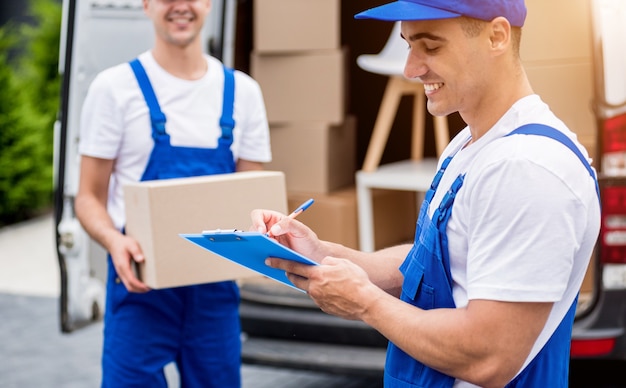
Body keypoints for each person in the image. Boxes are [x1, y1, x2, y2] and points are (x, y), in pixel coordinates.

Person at [251, 0, 600, 386]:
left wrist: (365, 303)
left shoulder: (528, 168)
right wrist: (321, 254)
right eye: (408, 45)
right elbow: (445, 259)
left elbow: (490, 356)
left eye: (431, 47)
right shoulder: (469, 145)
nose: (410, 69)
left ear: (497, 36)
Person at [74, 0, 271, 386]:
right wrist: (113, 240)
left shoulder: (243, 93)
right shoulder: (114, 89)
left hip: (214, 292)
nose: (181, 6)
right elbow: (87, 197)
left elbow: (252, 201)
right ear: (146, 4)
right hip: (140, 287)